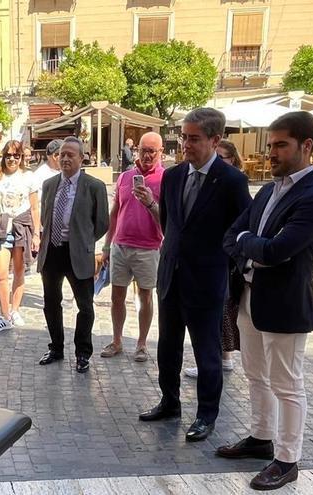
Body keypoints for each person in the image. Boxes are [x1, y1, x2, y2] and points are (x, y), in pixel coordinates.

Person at [218, 111, 313, 491]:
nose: (273, 153)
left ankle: (287, 459)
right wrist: (251, 246)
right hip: (250, 295)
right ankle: (260, 437)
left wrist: (249, 245)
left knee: (287, 383)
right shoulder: (269, 190)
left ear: (307, 146)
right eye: (270, 145)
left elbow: (278, 250)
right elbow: (232, 234)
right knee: (255, 375)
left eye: (281, 145)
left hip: (286, 303)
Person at [138, 108, 251, 442]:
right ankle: (170, 402)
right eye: (184, 137)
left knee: (207, 353)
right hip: (170, 277)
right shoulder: (173, 177)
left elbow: (241, 231)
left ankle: (206, 415)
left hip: (206, 281)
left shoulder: (232, 181)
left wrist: (225, 268)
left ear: (215, 140)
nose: (185, 144)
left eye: (194, 138)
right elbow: (169, 224)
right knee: (168, 348)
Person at [36, 136, 109, 373]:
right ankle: (56, 347)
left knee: (85, 306)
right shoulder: (49, 185)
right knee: (51, 303)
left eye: (70, 155)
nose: (65, 158)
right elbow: (46, 217)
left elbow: (102, 223)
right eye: (62, 155)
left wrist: (84, 242)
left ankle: (82, 353)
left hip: (78, 253)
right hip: (52, 252)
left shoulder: (94, 186)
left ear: (81, 158)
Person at [98, 132, 164, 363]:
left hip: (148, 246)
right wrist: (107, 245)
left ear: (160, 153)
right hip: (121, 244)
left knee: (145, 296)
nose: (147, 155)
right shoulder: (126, 176)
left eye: (152, 151)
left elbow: (166, 218)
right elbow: (115, 211)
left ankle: (142, 343)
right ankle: (117, 340)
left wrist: (150, 202)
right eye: (143, 150)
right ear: (137, 150)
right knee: (117, 295)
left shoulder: (166, 178)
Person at [184, 139, 243, 378]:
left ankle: (220, 359)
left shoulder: (233, 181)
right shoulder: (187, 177)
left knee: (220, 313)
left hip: (221, 262)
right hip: (196, 266)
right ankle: (221, 357)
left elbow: (242, 223)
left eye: (222, 158)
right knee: (219, 315)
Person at [0, 140, 40, 332]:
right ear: (3, 156)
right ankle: (4, 315)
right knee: (1, 274)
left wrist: (37, 234)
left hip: (22, 227)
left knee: (20, 271)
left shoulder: (29, 177)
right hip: (1, 227)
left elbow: (35, 207)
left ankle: (15, 310)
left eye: (16, 155)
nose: (12, 159)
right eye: (8, 155)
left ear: (21, 157)